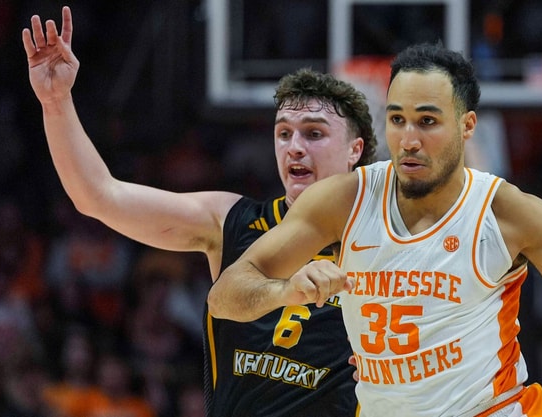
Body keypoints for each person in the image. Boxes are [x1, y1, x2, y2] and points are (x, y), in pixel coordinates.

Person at [209, 42, 542, 416]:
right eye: (396, 119)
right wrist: (284, 290)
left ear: (467, 126)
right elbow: (226, 296)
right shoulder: (344, 201)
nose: (408, 139)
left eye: (427, 120)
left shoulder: (509, 215)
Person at [22, 6, 377, 417]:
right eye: (283, 133)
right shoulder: (231, 220)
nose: (294, 146)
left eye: (314, 133)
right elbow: (99, 197)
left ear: (356, 150)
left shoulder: (383, 239)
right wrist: (55, 102)